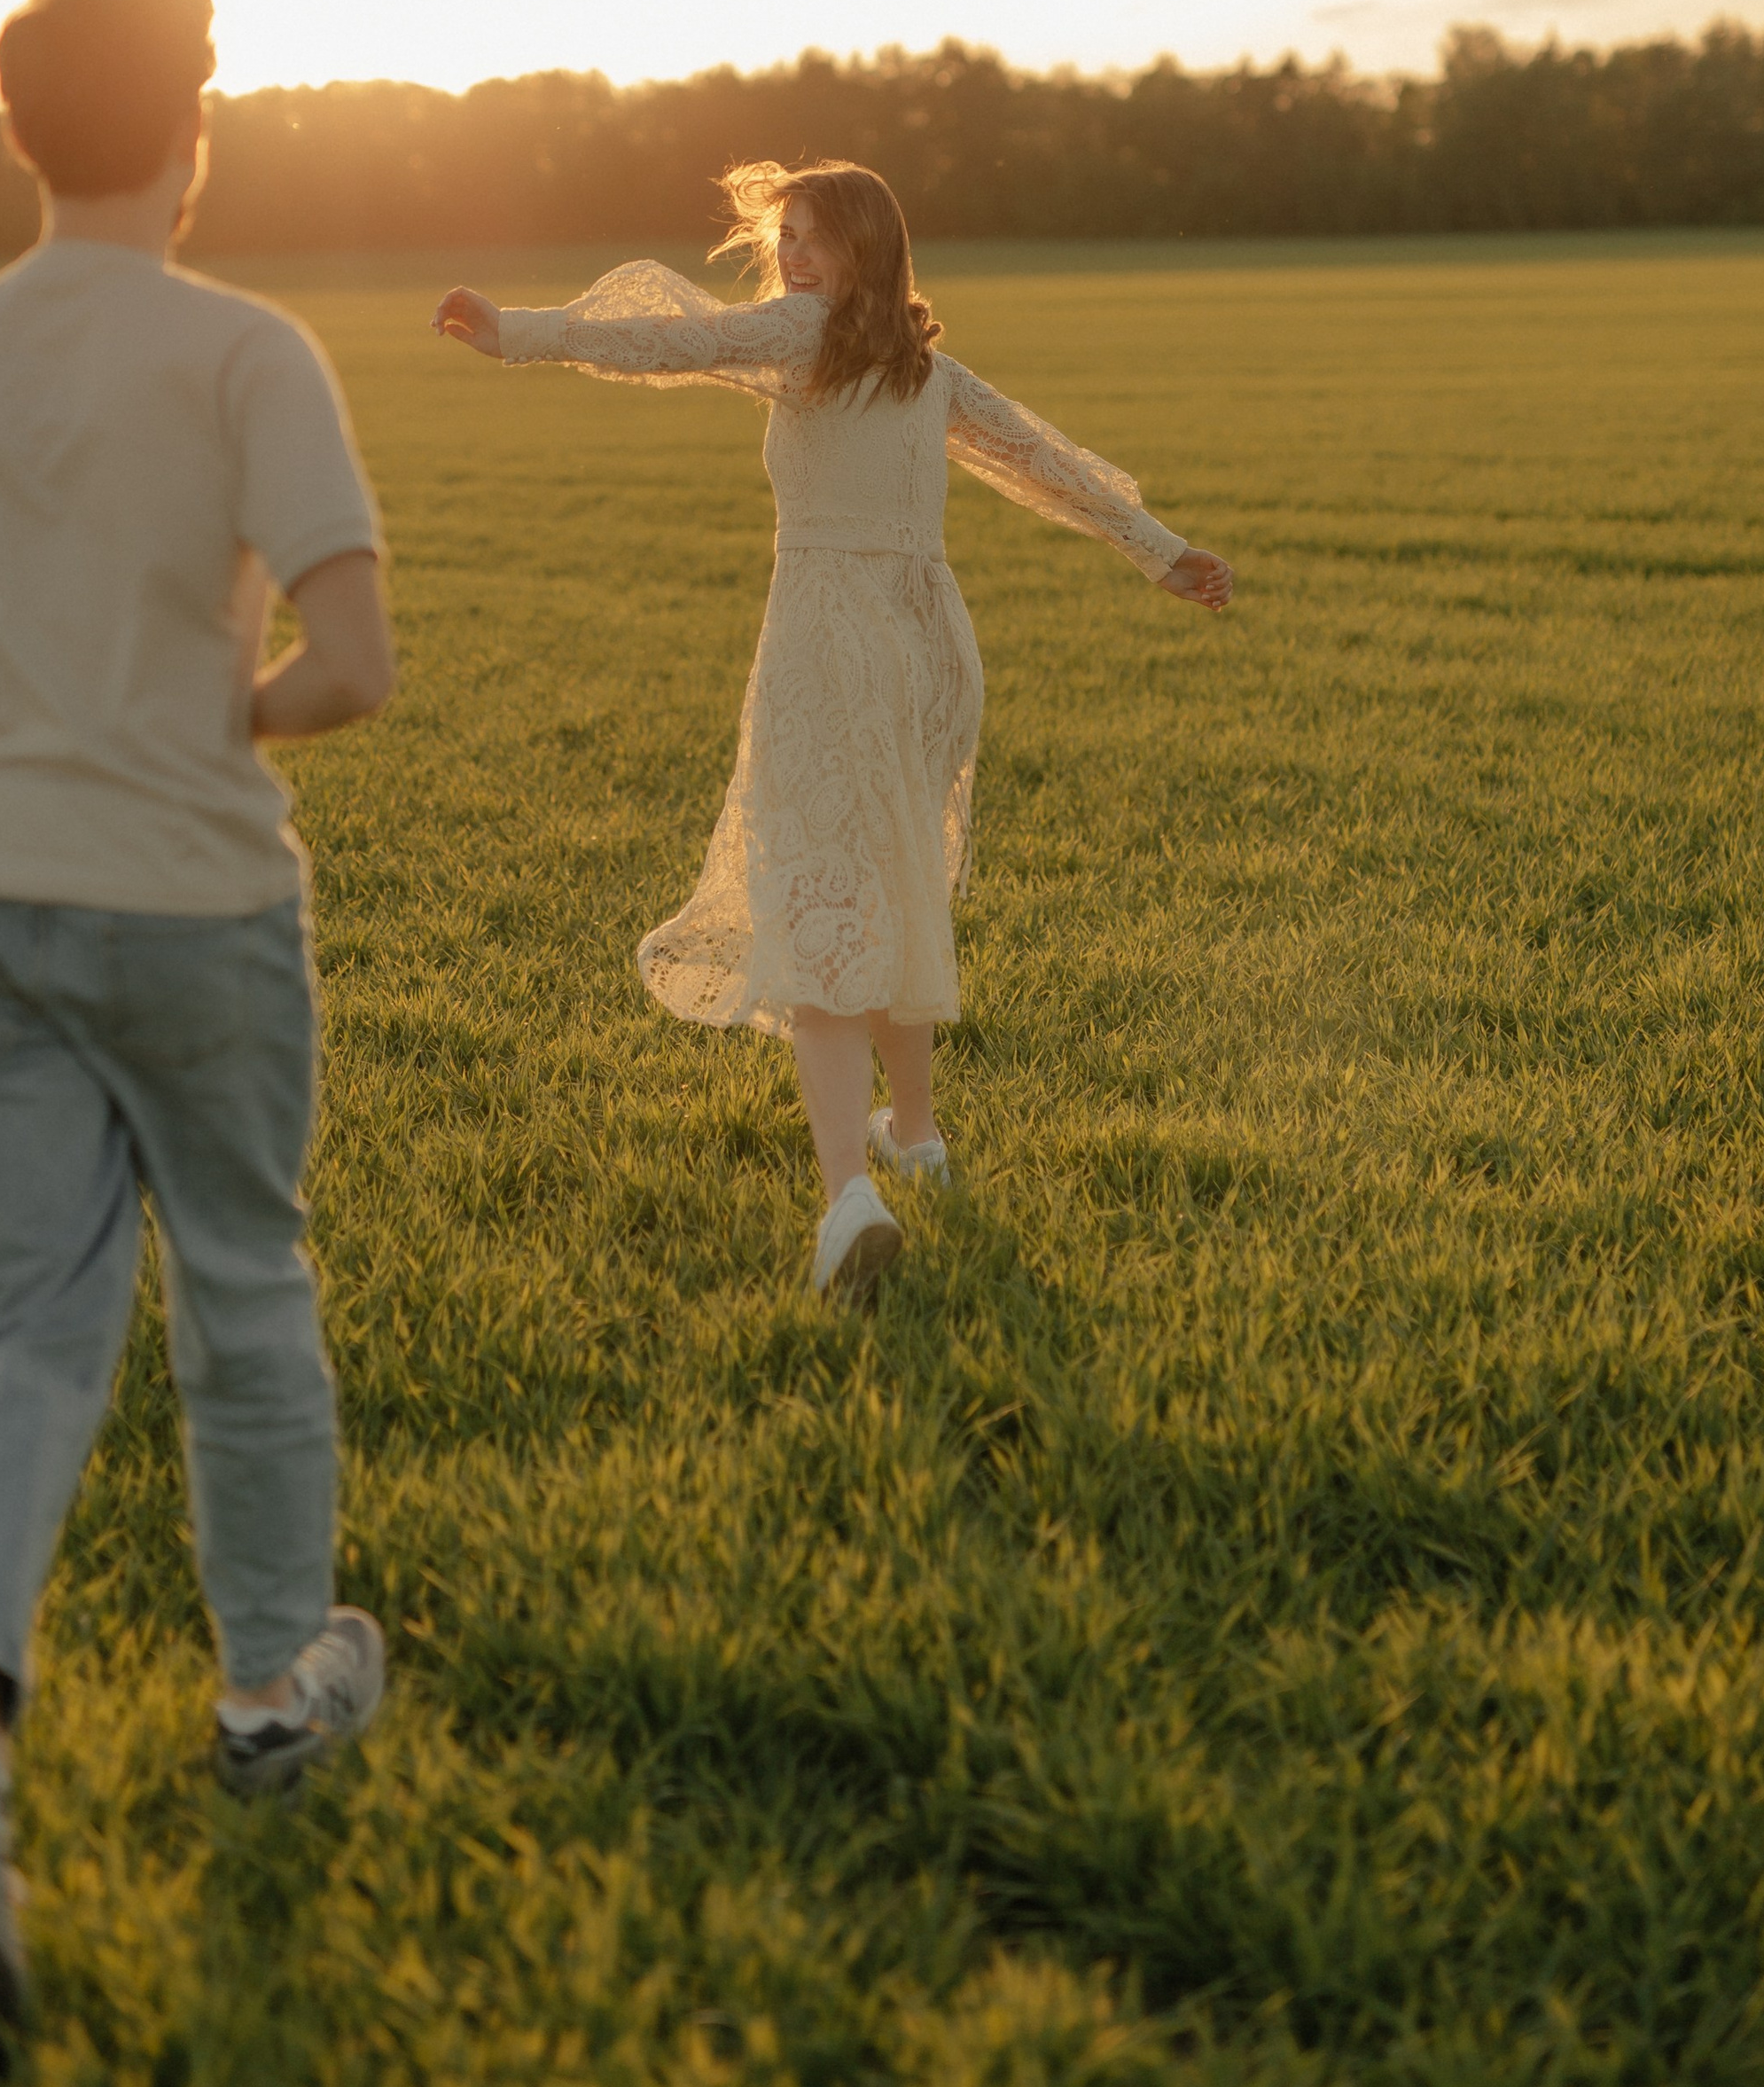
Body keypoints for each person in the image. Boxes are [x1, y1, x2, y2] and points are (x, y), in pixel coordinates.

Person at [0, 0, 394, 2072]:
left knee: (30, 1331)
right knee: (240, 1267)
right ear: (192, 134)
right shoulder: (244, 351)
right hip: (187, 891)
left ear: (17, 131)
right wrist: (215, 707)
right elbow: (352, 662)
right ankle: (260, 1701)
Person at [435, 159, 1231, 1300]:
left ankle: (847, 1198)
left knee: (820, 905)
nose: (793, 257)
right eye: (785, 238)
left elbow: (678, 340)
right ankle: (918, 1136)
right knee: (898, 885)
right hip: (929, 642)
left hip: (836, 643)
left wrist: (519, 331)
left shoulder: (808, 341)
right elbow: (1041, 463)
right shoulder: (931, 373)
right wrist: (1161, 553)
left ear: (868, 244)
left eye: (812, 237)